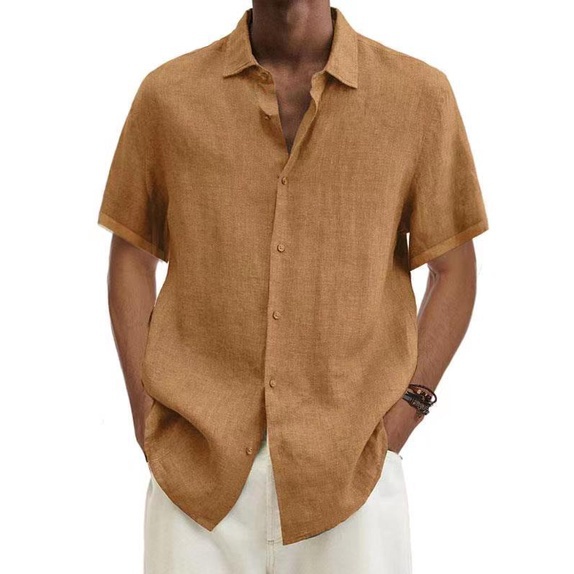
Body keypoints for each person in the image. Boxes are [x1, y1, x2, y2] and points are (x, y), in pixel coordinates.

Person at [97, 2, 489, 572]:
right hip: (194, 480)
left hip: (353, 479)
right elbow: (131, 259)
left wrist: (406, 412)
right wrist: (147, 418)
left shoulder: (418, 96)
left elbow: (454, 269)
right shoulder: (168, 96)